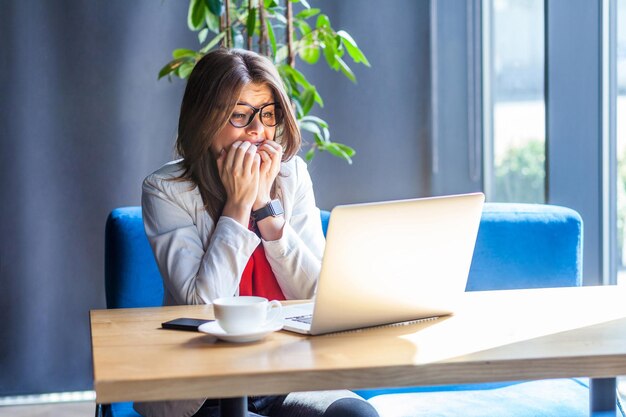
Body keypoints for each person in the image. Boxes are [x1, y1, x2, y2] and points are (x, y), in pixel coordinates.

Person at [135, 48, 379, 417]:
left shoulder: (291, 176)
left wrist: (265, 206)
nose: (258, 130)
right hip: (206, 386)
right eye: (240, 115)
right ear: (204, 120)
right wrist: (238, 204)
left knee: (355, 415)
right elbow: (201, 308)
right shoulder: (166, 190)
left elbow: (319, 297)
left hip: (287, 373)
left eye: (267, 114)